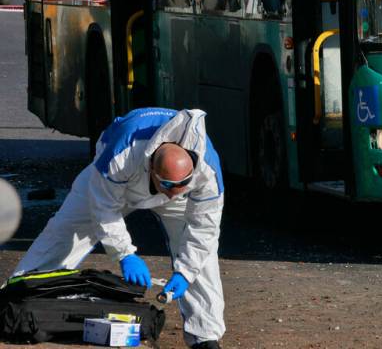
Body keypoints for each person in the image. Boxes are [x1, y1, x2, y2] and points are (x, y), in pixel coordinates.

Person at [10, 108, 225, 348]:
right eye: (167, 187)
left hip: (169, 182)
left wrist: (186, 271)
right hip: (115, 183)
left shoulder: (207, 170)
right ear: (152, 168)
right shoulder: (121, 154)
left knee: (202, 257)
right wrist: (125, 254)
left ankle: (205, 336)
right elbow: (104, 209)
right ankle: (14, 303)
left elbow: (205, 228)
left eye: (181, 186)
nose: (171, 196)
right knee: (64, 233)